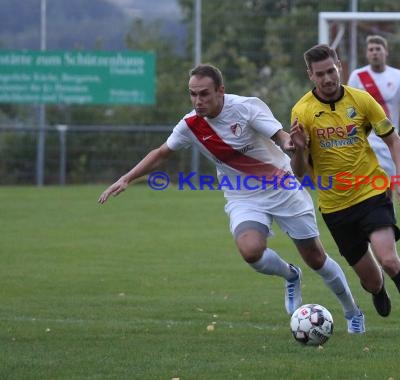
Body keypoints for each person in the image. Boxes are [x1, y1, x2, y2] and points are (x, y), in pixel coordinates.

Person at [98, 64, 366, 333]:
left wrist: (291, 143)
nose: (198, 101)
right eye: (193, 94)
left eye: (204, 94)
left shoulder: (245, 107)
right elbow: (161, 153)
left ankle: (352, 311)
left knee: (316, 258)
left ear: (221, 91)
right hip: (243, 195)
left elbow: (280, 136)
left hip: (283, 187)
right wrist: (127, 178)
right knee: (250, 250)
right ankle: (290, 274)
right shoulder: (190, 124)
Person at [290, 44, 400, 338]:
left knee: (389, 259)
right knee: (372, 281)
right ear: (310, 75)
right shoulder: (302, 111)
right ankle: (378, 290)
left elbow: (394, 141)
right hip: (335, 207)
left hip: (371, 192)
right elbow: (298, 171)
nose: (327, 78)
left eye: (331, 71)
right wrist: (298, 149)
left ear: (340, 66)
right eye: (320, 74)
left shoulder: (361, 100)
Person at [347, 35, 400, 177]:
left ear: (386, 51)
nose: (374, 52)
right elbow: (347, 107)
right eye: (371, 49)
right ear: (366, 53)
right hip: (365, 139)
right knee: (367, 184)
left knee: (388, 184)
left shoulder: (398, 75)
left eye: (378, 49)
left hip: (389, 137)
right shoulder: (357, 76)